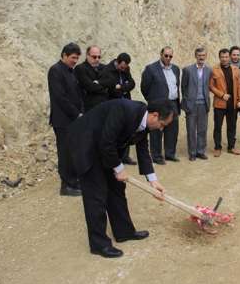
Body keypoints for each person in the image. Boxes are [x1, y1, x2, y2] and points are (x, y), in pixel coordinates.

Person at [67, 99, 174, 258]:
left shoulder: (144, 122)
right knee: (96, 194)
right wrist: (119, 168)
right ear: (154, 115)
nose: (161, 129)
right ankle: (99, 244)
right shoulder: (125, 111)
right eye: (163, 124)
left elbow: (142, 149)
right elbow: (106, 142)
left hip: (105, 148)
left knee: (116, 189)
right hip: (87, 145)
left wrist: (153, 181)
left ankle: (124, 232)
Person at [47, 42, 83, 196]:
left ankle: (74, 181)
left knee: (73, 151)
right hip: (62, 120)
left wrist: (81, 111)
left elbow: (77, 94)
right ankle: (66, 186)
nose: (75, 61)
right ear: (64, 55)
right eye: (73, 58)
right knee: (65, 152)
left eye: (76, 58)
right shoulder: (55, 71)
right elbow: (60, 97)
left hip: (73, 119)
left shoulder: (70, 71)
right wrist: (77, 114)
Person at [141, 46, 181, 165]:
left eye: (170, 56)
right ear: (161, 54)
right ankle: (157, 156)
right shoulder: (151, 69)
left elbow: (176, 86)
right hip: (158, 104)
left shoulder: (176, 69)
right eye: (166, 55)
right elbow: (144, 88)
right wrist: (153, 101)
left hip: (172, 103)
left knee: (173, 129)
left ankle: (170, 154)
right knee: (156, 129)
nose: (168, 58)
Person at [99, 52, 137, 165]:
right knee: (114, 131)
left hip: (126, 102)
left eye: (125, 67)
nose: (123, 69)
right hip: (114, 104)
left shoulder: (126, 69)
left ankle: (125, 156)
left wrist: (121, 86)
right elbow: (110, 89)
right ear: (117, 62)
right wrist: (123, 87)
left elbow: (132, 83)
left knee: (126, 130)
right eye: (121, 67)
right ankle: (115, 157)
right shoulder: (107, 70)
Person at [209, 48, 240, 157]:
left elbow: (239, 86)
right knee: (218, 126)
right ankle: (217, 147)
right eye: (222, 57)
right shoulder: (214, 69)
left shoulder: (236, 69)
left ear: (229, 57)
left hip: (232, 103)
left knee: (232, 126)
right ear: (219, 57)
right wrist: (222, 95)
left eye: (226, 57)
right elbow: (211, 86)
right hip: (219, 103)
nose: (224, 59)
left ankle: (231, 147)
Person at [181, 47, 212, 161]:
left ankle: (200, 151)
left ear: (206, 56)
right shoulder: (187, 70)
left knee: (202, 129)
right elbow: (183, 87)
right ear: (195, 56)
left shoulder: (209, 70)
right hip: (191, 105)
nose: (201, 57)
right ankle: (192, 153)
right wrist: (186, 103)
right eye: (199, 55)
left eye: (203, 55)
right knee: (191, 129)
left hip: (204, 104)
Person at [74, 45, 108, 111]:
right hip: (89, 107)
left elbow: (112, 82)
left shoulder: (105, 68)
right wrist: (105, 87)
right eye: (94, 57)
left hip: (105, 106)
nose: (97, 59)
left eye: (99, 57)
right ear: (87, 56)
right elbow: (90, 87)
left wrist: (99, 83)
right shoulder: (80, 68)